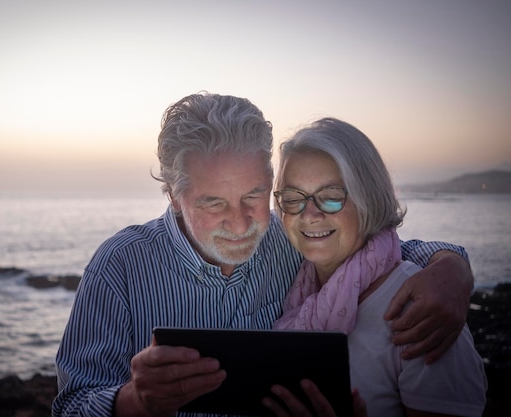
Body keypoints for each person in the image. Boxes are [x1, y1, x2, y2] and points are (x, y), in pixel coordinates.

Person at [52, 92, 474, 417]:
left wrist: (450, 267)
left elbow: (372, 246)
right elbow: (70, 405)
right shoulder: (120, 267)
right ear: (173, 195)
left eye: (254, 195)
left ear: (271, 181)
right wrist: (133, 402)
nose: (241, 224)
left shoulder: (291, 237)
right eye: (213, 203)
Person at [268, 117, 487, 416]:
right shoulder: (291, 282)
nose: (309, 214)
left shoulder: (420, 312)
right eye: (293, 198)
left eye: (331, 197)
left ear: (369, 199)